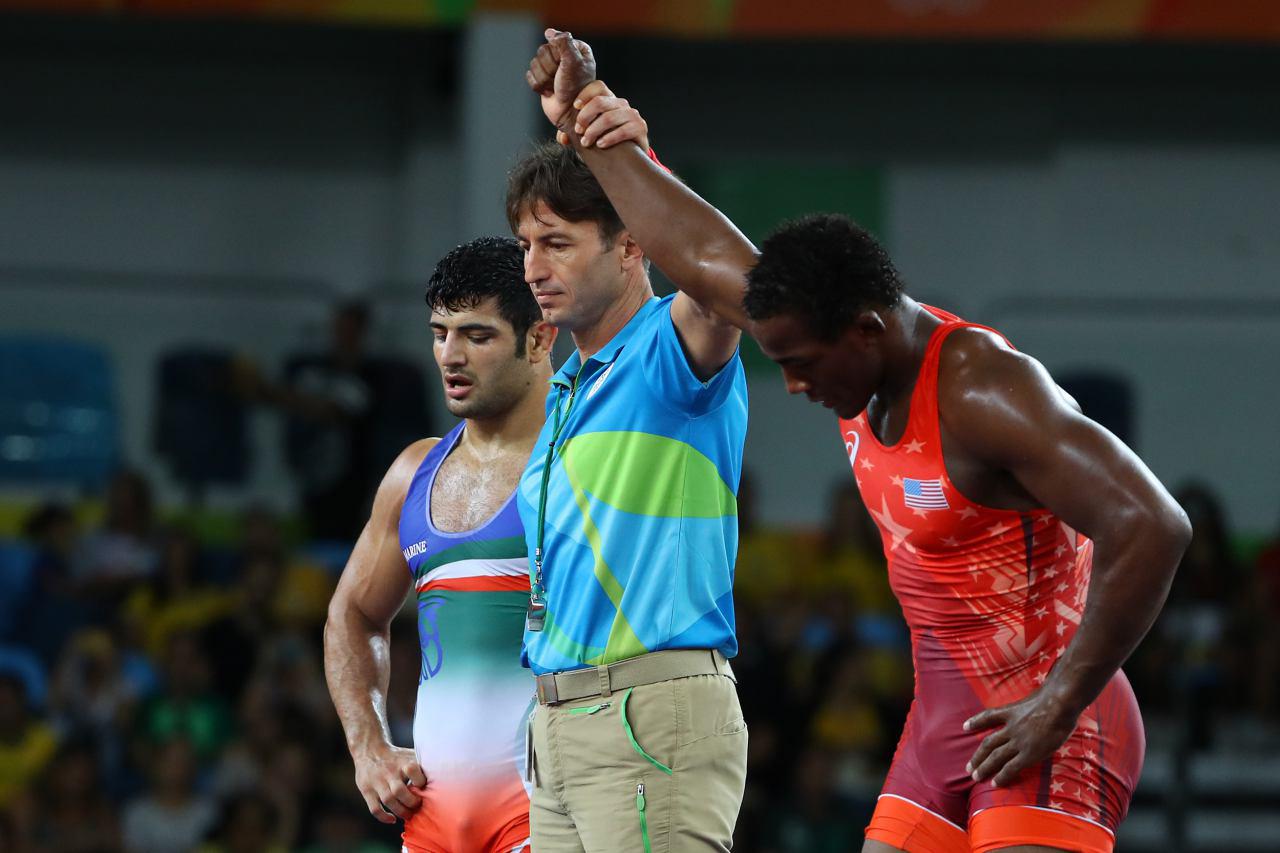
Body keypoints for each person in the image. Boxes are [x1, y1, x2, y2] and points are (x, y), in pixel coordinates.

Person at [528, 31, 1192, 853]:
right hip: (944, 719)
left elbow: (1154, 524)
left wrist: (1060, 699)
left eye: (802, 366)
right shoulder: (819, 320)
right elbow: (698, 254)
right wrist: (590, 125)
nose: (796, 387)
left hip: (1051, 717)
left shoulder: (986, 391)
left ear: (867, 331)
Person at [504, 72, 751, 849]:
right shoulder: (566, 387)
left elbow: (734, 278)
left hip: (647, 715)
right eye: (526, 246)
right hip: (557, 727)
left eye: (557, 243)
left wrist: (631, 160)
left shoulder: (669, 350)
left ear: (632, 245)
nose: (533, 267)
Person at [323, 236, 560, 853]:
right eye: (440, 334)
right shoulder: (414, 473)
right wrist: (369, 745)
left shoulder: (580, 465)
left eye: (477, 336)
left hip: (547, 815)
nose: (450, 356)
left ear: (539, 339)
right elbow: (353, 614)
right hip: (431, 823)